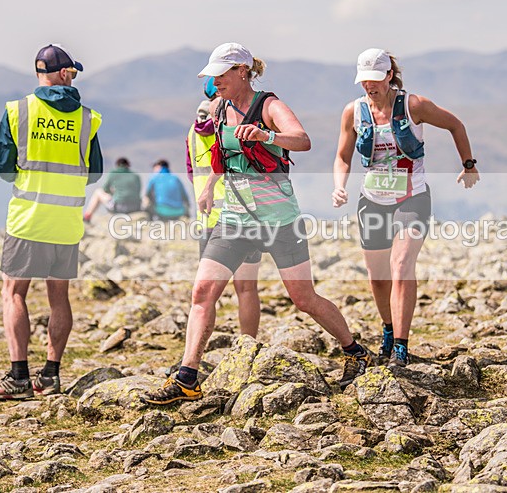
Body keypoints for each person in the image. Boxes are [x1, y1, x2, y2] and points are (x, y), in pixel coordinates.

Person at [142, 42, 371, 405]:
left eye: (221, 74)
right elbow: (221, 153)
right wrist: (211, 187)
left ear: (242, 72)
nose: (215, 81)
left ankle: (355, 351)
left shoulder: (269, 105)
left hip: (279, 219)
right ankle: (187, 376)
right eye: (212, 76)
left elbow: (303, 141)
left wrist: (268, 136)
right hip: (234, 218)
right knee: (203, 292)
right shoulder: (218, 109)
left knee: (303, 298)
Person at [333, 48, 480, 367]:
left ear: (389, 76)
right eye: (363, 81)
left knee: (401, 265)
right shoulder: (353, 112)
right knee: (378, 276)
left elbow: (455, 124)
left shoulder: (414, 105)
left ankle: (401, 344)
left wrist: (468, 165)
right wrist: (339, 186)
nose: (369, 86)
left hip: (412, 197)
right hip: (372, 200)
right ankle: (387, 329)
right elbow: (343, 155)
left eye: (375, 79)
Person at [0, 44, 103, 399]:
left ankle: (18, 377)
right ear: (64, 73)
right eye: (74, 72)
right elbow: (94, 173)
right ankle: (50, 375)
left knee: (14, 292)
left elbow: (5, 170)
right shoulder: (86, 118)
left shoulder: (17, 110)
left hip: (28, 220)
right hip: (66, 221)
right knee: (58, 296)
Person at [186, 76, 262, 338]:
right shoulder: (234, 124)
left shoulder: (192, 132)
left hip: (207, 218)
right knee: (247, 288)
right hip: (241, 215)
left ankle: (196, 354)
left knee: (206, 295)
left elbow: (191, 171)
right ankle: (248, 349)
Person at [83, 157, 141, 221]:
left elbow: (105, 189)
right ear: (128, 165)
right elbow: (138, 191)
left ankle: (87, 216)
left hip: (119, 208)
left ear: (117, 165)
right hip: (135, 207)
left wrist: (113, 192)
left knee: (98, 192)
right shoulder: (136, 176)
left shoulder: (114, 173)